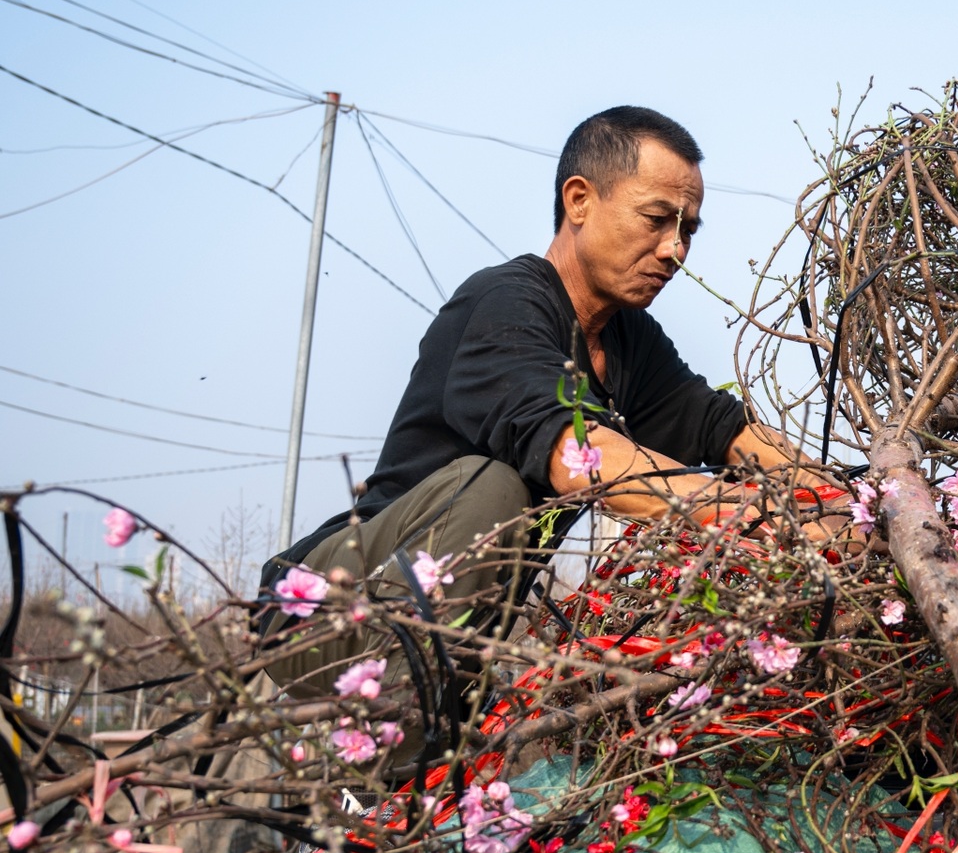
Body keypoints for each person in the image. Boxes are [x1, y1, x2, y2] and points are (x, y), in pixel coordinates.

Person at [261, 106, 839, 692]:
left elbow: (726, 430)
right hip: (328, 611)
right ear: (580, 200)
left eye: (688, 229)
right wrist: (766, 521)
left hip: (451, 640)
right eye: (657, 219)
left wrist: (844, 506)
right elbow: (578, 458)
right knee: (493, 484)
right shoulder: (505, 303)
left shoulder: (628, 339)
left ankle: (432, 731)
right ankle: (407, 732)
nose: (676, 250)